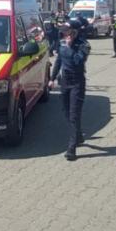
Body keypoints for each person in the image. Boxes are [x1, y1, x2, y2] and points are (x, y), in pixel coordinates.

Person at [50, 19, 90, 161]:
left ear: (74, 32)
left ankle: (71, 148)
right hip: (64, 82)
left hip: (77, 83)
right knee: (66, 112)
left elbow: (78, 62)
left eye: (67, 30)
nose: (64, 32)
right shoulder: (61, 43)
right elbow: (59, 61)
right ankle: (78, 135)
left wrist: (71, 46)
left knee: (74, 115)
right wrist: (52, 78)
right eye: (64, 30)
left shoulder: (83, 45)